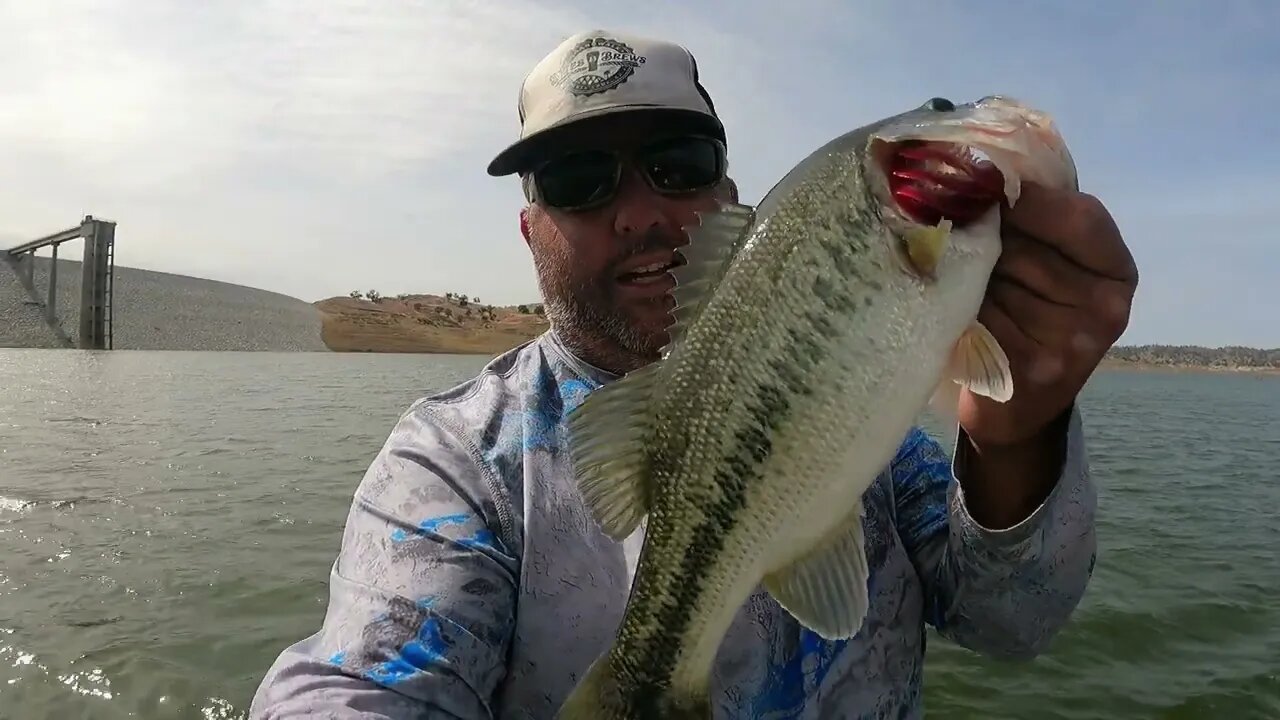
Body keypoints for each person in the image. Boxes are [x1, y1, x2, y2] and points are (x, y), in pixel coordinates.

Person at [250, 28, 1137, 719]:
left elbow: (1012, 623)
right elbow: (364, 679)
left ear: (729, 203)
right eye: (577, 177)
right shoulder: (452, 464)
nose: (640, 211)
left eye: (678, 166)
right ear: (531, 232)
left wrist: (1019, 433)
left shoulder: (870, 434)